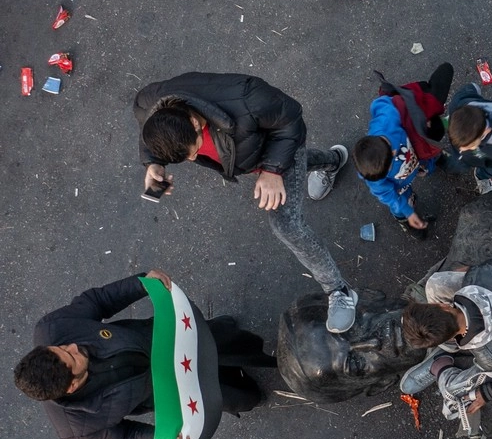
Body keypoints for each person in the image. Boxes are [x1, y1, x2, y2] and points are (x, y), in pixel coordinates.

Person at [133, 73, 359, 332]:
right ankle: (333, 161)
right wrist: (154, 162)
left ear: (194, 122)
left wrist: (273, 171)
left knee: (286, 225)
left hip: (275, 144)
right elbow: (145, 123)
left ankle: (338, 290)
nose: (195, 158)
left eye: (194, 149)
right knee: (293, 167)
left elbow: (292, 119)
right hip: (248, 153)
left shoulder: (249, 98)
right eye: (188, 157)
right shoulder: (150, 104)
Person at [16, 271, 273, 439]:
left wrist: (140, 284)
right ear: (71, 387)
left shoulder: (52, 328)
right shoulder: (75, 427)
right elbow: (123, 437)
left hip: (164, 338)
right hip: (174, 393)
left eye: (62, 348)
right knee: (245, 397)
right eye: (72, 357)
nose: (72, 346)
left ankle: (253, 348)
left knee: (228, 340)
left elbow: (98, 301)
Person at [398, 249, 492, 410]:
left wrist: (489, 392)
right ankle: (441, 363)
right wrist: (478, 271)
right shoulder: (478, 276)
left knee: (459, 390)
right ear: (442, 305)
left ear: (448, 339)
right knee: (436, 283)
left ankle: (441, 363)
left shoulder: (490, 359)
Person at [353, 65, 454, 238]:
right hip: (401, 187)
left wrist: (420, 117)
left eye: (389, 169)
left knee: (429, 152)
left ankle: (436, 161)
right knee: (401, 205)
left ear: (393, 153)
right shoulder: (373, 176)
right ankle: (407, 221)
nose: (386, 176)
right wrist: (408, 212)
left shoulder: (388, 121)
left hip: (416, 157)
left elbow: (384, 103)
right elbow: (387, 193)